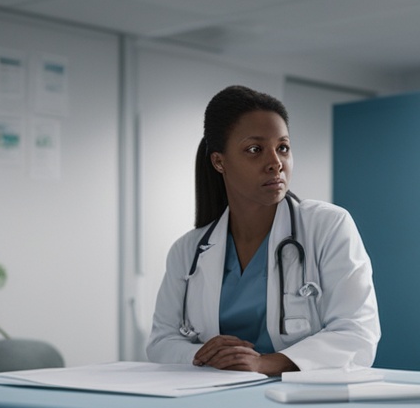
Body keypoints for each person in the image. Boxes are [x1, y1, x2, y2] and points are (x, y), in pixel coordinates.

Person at [146, 85, 381, 376]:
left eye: (282, 147)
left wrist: (264, 363)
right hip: (211, 397)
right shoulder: (188, 250)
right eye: (255, 150)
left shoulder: (328, 226)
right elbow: (160, 343)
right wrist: (206, 354)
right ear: (219, 161)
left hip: (301, 399)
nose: (275, 163)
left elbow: (357, 334)